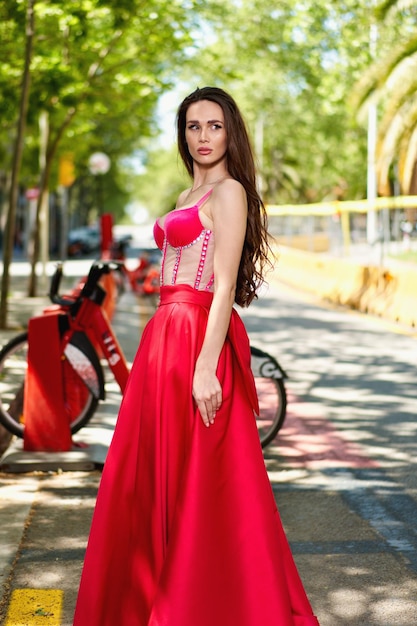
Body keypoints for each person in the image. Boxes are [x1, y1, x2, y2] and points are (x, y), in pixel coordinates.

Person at [73, 86, 319, 626]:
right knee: (149, 475)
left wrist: (206, 366)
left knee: (207, 481)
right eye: (192, 126)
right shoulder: (187, 198)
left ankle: (206, 605)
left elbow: (224, 283)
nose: (203, 137)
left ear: (230, 132)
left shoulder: (229, 193)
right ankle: (148, 598)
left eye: (214, 126)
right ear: (182, 134)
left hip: (196, 340)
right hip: (164, 338)